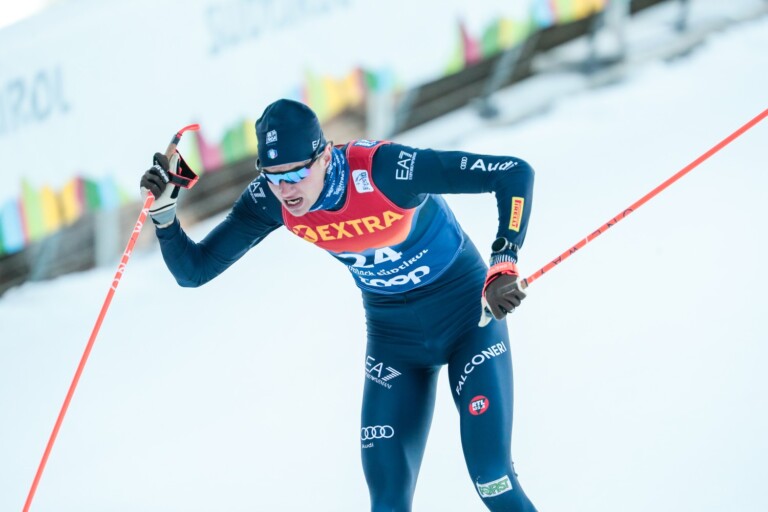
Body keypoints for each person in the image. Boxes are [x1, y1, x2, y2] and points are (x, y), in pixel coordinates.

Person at [140, 98, 537, 512]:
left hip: (467, 318)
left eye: (297, 173)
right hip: (394, 340)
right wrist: (164, 217)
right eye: (273, 176)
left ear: (326, 156)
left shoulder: (385, 170)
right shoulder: (269, 200)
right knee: (387, 503)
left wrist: (503, 259)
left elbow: (513, 173)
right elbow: (195, 270)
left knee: (492, 478)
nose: (286, 189)